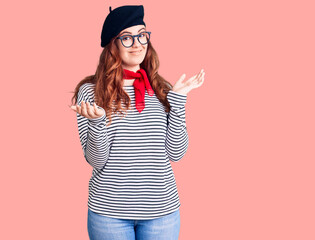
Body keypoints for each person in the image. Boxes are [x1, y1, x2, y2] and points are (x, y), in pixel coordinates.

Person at [70, 5, 205, 240]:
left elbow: (176, 152)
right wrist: (97, 123)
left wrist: (179, 101)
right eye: (127, 37)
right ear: (112, 45)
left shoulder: (163, 90)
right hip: (109, 213)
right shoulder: (90, 92)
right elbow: (96, 160)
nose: (137, 43)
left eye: (142, 35)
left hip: (161, 212)